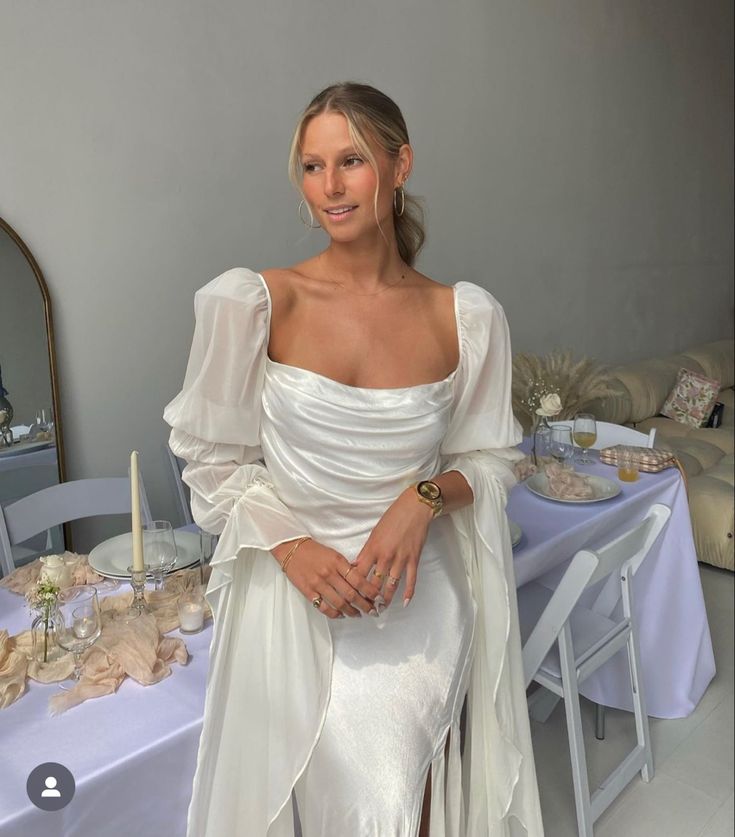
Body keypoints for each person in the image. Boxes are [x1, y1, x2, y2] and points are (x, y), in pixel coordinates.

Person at [164, 82, 543, 837]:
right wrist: (292, 545)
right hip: (292, 591)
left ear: (399, 166)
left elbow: (494, 457)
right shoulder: (256, 303)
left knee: (397, 782)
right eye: (311, 167)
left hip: (419, 602)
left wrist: (423, 499)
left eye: (351, 161)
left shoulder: (465, 315)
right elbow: (209, 461)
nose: (329, 188)